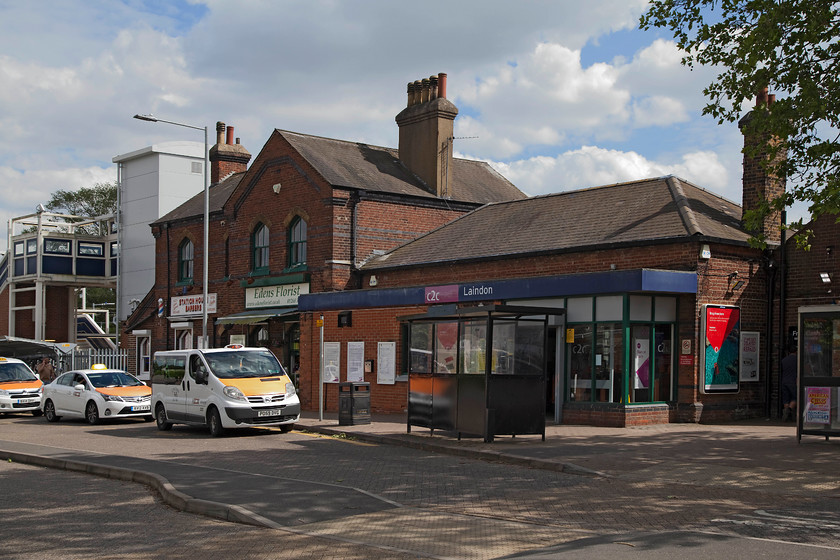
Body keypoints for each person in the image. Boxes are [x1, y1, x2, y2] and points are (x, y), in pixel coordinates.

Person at [780, 347, 797, 422]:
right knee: (795, 397)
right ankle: (789, 410)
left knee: (786, 399)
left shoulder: (784, 360)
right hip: (793, 381)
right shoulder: (798, 360)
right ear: (796, 352)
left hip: (784, 381)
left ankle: (786, 413)